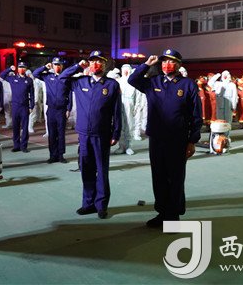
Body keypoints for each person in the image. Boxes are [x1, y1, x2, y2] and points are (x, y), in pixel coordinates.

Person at [128, 49, 202, 228]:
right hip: (157, 138)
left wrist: (192, 140)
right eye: (164, 61)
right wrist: (146, 64)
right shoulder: (153, 82)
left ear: (178, 65)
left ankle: (173, 216)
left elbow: (196, 115)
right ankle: (162, 213)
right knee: (159, 176)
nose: (167, 65)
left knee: (175, 178)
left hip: (177, 139)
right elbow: (133, 80)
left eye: (171, 61)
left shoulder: (188, 85)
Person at [60, 50, 121, 219]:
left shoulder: (112, 85)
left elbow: (117, 112)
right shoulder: (80, 82)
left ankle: (101, 205)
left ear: (104, 64)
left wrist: (116, 132)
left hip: (102, 135)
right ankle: (88, 204)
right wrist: (77, 66)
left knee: (101, 171)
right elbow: (62, 78)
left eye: (99, 61)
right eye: (92, 61)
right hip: (84, 134)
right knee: (86, 170)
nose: (95, 64)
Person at [33, 57, 71, 163]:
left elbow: (69, 94)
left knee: (61, 134)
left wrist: (68, 108)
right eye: (55, 65)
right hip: (51, 110)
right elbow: (35, 74)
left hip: (62, 110)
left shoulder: (66, 78)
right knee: (52, 133)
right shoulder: (48, 76)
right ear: (52, 66)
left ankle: (60, 155)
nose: (57, 66)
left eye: (59, 65)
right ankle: (52, 155)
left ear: (62, 66)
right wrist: (45, 67)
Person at [1, 62, 34, 153]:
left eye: (23, 67)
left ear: (26, 69)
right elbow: (2, 75)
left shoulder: (29, 80)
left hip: (25, 106)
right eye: (20, 67)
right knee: (15, 127)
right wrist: (9, 69)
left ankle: (24, 146)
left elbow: (32, 94)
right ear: (17, 69)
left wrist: (32, 106)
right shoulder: (13, 78)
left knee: (25, 127)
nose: (22, 69)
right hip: (15, 106)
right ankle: (16, 145)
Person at [116, 64, 138, 155]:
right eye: (124, 70)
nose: (126, 71)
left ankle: (129, 146)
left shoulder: (133, 82)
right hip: (119, 104)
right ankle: (121, 146)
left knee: (129, 126)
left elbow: (137, 97)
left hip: (130, 105)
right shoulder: (118, 81)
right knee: (120, 126)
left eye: (127, 69)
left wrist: (136, 107)